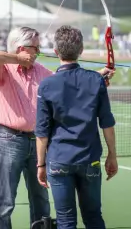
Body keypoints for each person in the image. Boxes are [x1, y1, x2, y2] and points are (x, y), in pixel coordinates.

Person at [0, 26, 114, 229]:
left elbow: (65, 80)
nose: (38, 51)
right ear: (20, 48)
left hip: (37, 141)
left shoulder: (40, 71)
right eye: (34, 48)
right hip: (9, 139)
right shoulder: (3, 69)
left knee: (41, 199)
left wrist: (98, 77)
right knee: (5, 200)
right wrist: (18, 60)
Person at [35, 25, 118, 229]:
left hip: (59, 160)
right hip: (89, 159)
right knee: (93, 217)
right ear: (81, 50)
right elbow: (106, 122)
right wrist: (112, 155)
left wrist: (40, 164)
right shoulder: (96, 81)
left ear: (56, 52)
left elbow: (42, 132)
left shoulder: (46, 85)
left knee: (66, 221)